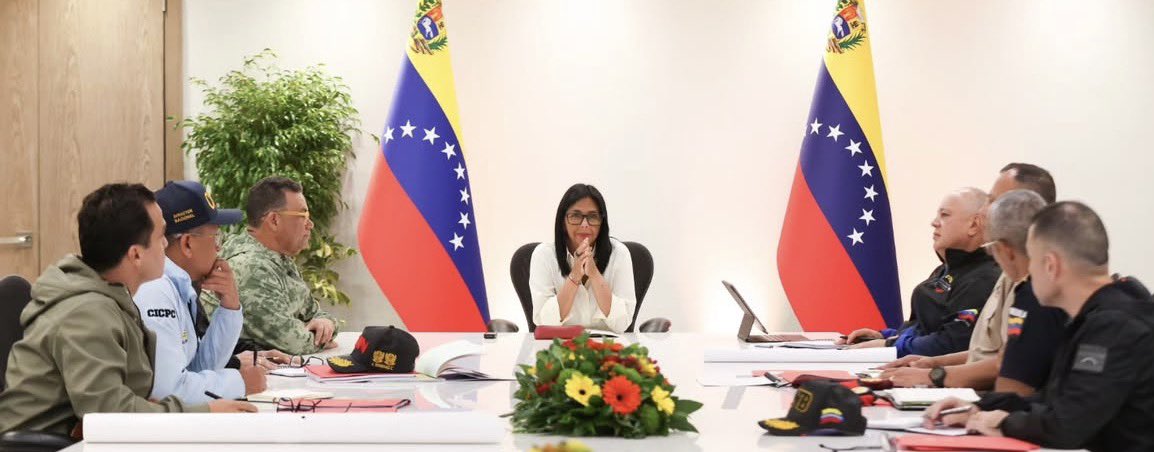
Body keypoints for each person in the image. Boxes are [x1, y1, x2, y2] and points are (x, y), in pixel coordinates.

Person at [0, 183, 254, 436]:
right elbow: (109, 415)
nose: (166, 245)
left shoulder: (112, 298)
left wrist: (147, 408)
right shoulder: (87, 312)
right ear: (136, 255)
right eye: (161, 237)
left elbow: (131, 399)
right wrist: (205, 413)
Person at [925, 202, 1154, 451]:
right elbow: (1054, 400)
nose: (1028, 272)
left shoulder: (1112, 325)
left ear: (1050, 266)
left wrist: (1003, 423)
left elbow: (1067, 426)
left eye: (1031, 260)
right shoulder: (1098, 315)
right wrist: (981, 406)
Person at [882, 164, 1067, 394]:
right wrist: (934, 363)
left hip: (996, 403)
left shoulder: (1038, 286)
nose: (985, 212)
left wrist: (936, 375)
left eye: (994, 200)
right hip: (982, 396)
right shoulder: (1010, 271)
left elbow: (1009, 368)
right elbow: (987, 351)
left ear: (1023, 206)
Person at [133, 181, 273, 405]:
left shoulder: (177, 284)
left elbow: (200, 367)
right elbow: (169, 392)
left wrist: (230, 306)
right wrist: (239, 382)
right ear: (187, 243)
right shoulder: (155, 290)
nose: (220, 248)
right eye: (216, 238)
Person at [841, 188, 1000, 357]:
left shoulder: (983, 278)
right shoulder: (947, 269)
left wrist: (890, 345)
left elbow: (951, 343)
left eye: (944, 215)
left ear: (974, 225)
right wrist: (884, 335)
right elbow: (924, 327)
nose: (934, 222)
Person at [202, 176, 339, 355]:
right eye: (303, 215)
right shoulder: (251, 267)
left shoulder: (279, 259)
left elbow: (315, 313)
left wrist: (327, 324)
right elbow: (293, 343)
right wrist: (317, 336)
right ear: (274, 220)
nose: (310, 224)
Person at [529, 183, 636, 333]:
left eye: (593, 217)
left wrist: (594, 274)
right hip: (560, 348)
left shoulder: (620, 254)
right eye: (576, 216)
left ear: (602, 222)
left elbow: (622, 324)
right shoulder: (543, 256)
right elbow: (544, 323)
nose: (584, 224)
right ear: (562, 222)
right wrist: (575, 275)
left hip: (608, 348)